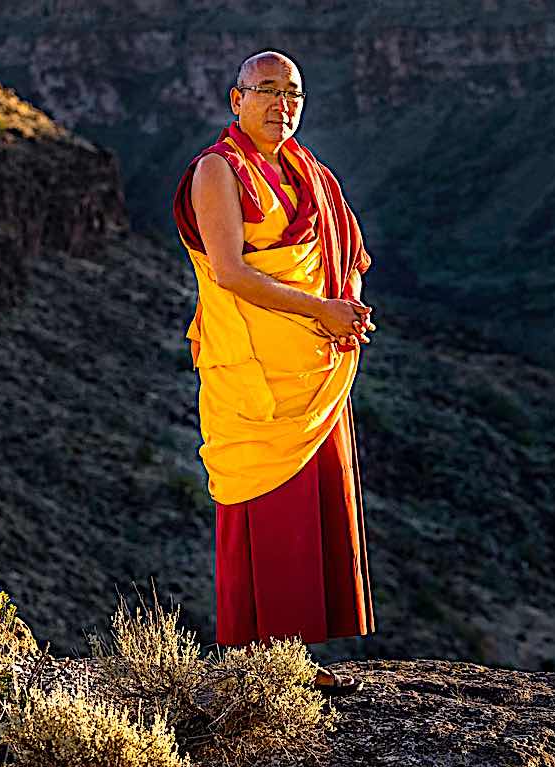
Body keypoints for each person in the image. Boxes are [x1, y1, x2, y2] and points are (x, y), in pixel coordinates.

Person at [172, 50, 377, 696]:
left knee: (309, 512)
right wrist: (323, 308)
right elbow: (230, 270)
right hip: (255, 373)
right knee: (263, 511)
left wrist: (343, 312)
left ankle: (293, 659)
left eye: (294, 94)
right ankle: (256, 664)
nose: (281, 105)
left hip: (311, 366)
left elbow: (343, 251)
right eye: (266, 91)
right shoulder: (217, 170)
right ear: (236, 100)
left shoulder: (307, 171)